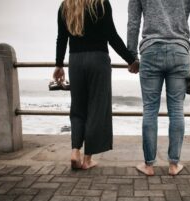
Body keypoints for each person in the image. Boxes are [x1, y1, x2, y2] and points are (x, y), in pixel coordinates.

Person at [53, 0, 139, 170]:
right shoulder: (100, 4)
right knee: (96, 108)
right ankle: (87, 159)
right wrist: (130, 60)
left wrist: (59, 64)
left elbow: (61, 38)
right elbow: (112, 35)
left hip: (75, 61)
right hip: (98, 60)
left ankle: (75, 151)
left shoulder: (66, 6)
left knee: (77, 109)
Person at [127, 0, 190, 175]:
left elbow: (133, 22)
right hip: (179, 51)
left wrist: (131, 55)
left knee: (150, 110)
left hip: (150, 51)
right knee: (177, 109)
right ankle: (173, 165)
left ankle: (148, 165)